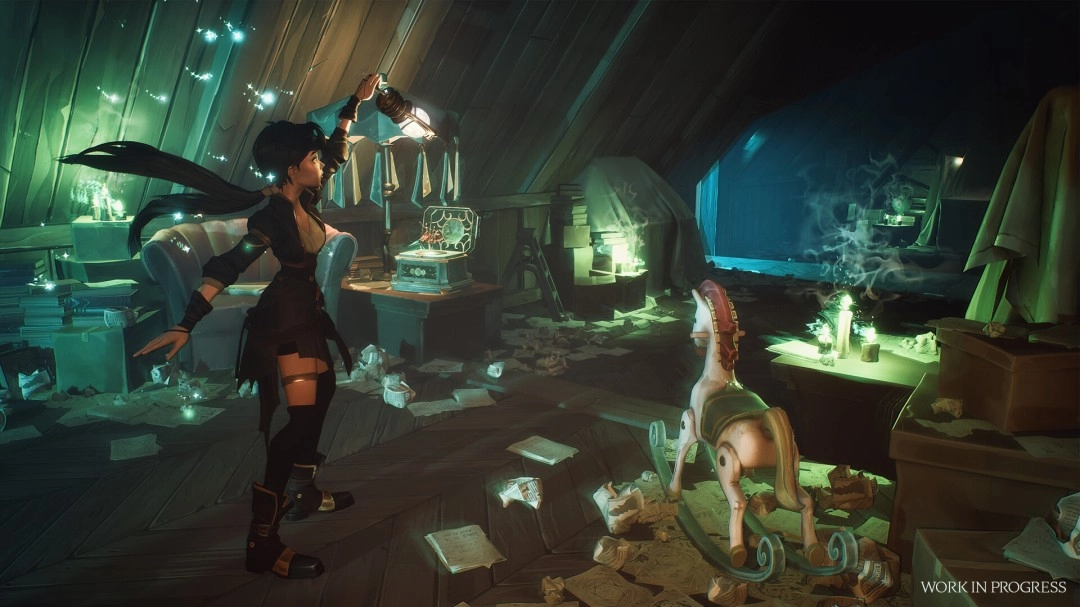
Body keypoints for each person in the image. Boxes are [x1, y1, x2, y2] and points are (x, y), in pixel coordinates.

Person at [60, 73, 385, 579]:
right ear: (292, 167)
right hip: (286, 325)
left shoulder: (306, 198)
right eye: (313, 157)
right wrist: (186, 323)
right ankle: (262, 542)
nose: (322, 163)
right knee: (300, 420)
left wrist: (353, 106)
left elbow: (336, 152)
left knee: (321, 398)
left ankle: (303, 492)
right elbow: (228, 265)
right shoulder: (272, 219)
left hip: (308, 316)